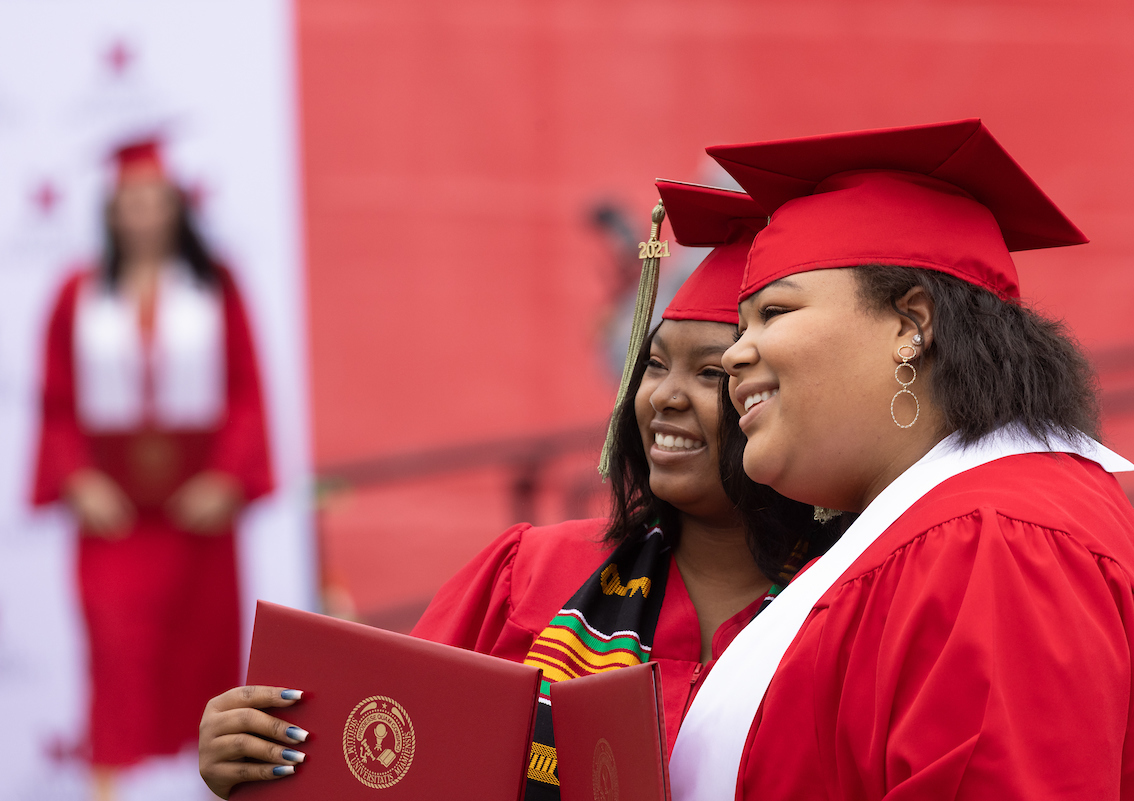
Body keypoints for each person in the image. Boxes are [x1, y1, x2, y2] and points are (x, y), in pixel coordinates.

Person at [198, 180, 835, 799]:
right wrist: (260, 758)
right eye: (656, 365)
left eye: (709, 373)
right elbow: (387, 765)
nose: (664, 396)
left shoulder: (844, 602)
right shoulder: (532, 574)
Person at [667, 119, 1134, 801]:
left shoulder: (995, 541)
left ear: (911, 323)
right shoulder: (971, 527)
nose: (736, 354)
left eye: (774, 312)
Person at [32, 139, 272, 797]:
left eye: (153, 198)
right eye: (128, 200)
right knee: (116, 663)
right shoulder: (76, 295)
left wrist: (227, 477)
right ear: (111, 210)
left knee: (206, 662)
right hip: (116, 525)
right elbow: (55, 402)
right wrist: (77, 478)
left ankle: (223, 787)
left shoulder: (214, 288)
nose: (142, 213)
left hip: (198, 521)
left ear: (175, 205)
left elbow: (246, 392)